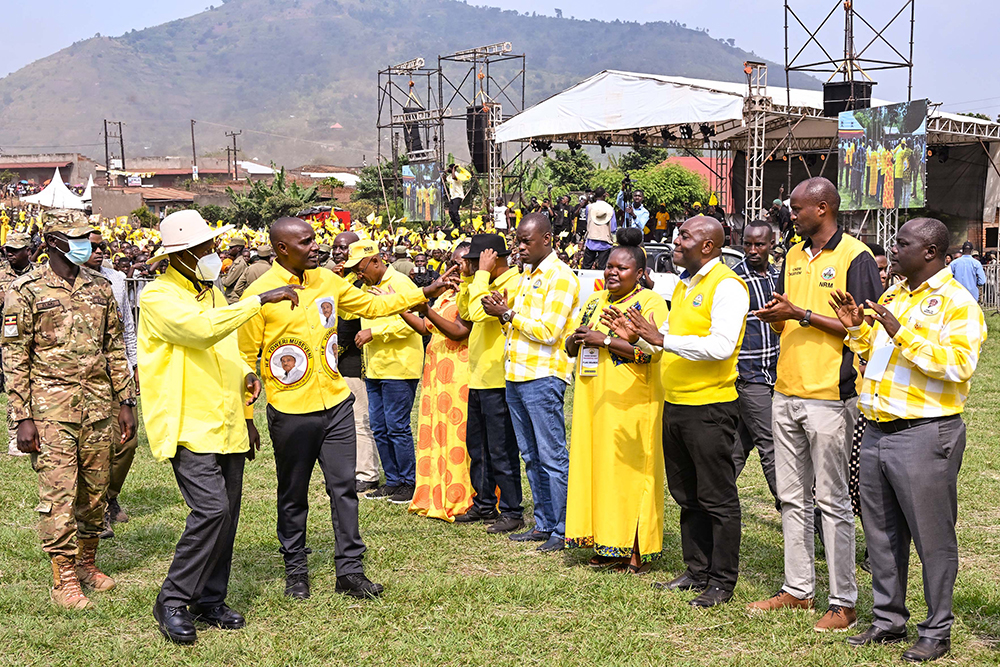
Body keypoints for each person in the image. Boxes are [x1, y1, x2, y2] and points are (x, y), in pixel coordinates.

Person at [239, 218, 454, 600]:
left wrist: (423, 291)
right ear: (281, 249)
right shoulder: (259, 294)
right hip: (290, 412)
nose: (315, 247)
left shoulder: (328, 281)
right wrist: (245, 416)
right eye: (305, 242)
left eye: (314, 239)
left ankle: (350, 571)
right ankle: (296, 572)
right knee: (293, 494)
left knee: (344, 490)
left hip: (337, 404)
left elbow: (374, 303)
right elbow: (242, 357)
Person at [138, 210, 301, 644]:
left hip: (226, 419)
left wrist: (247, 403)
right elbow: (198, 332)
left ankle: (210, 598)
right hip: (188, 422)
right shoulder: (157, 297)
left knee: (227, 516)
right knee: (210, 510)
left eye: (212, 246)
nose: (213, 255)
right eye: (204, 249)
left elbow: (227, 350)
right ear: (181, 255)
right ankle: (171, 599)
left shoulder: (211, 293)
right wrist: (257, 301)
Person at [832, 218, 987, 663]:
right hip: (877, 428)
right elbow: (875, 357)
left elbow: (958, 366)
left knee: (931, 537)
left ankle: (937, 631)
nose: (892, 249)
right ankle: (888, 620)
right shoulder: (895, 294)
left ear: (931, 252)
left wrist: (902, 332)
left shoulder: (958, 302)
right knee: (880, 533)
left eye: (903, 243)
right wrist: (857, 330)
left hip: (924, 433)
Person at [751, 177, 883, 631]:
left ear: (823, 208)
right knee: (791, 498)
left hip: (831, 396)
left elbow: (862, 325)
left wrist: (800, 314)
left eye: (798, 208)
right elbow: (792, 320)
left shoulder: (855, 256)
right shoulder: (791, 253)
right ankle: (797, 589)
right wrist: (778, 319)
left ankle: (843, 601)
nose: (791, 214)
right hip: (785, 389)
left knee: (832, 500)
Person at [2, 209, 136, 610]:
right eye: (75, 239)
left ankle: (86, 564)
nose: (84, 245)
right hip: (49, 412)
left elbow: (114, 348)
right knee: (59, 495)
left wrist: (125, 401)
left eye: (87, 238)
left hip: (98, 408)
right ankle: (62, 579)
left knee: (94, 492)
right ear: (53, 243)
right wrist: (21, 417)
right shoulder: (25, 291)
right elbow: (14, 357)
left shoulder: (99, 287)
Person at [623, 216, 748, 606]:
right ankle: (697, 570)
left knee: (717, 498)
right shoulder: (682, 284)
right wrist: (643, 342)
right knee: (687, 494)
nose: (676, 241)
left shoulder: (727, 285)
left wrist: (662, 337)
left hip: (709, 406)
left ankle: (721, 581)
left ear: (708, 246)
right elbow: (671, 345)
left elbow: (722, 346)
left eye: (684, 236)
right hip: (675, 403)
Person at [565, 227, 669, 574]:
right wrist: (578, 339)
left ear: (640, 274)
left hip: (632, 402)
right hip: (594, 398)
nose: (612, 272)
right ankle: (606, 543)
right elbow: (572, 344)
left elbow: (650, 355)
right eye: (609, 266)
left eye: (621, 268)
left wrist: (605, 340)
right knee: (598, 470)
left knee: (629, 474)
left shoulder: (650, 303)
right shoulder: (595, 301)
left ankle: (635, 547)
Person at [482, 214, 580, 553]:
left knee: (552, 455)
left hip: (543, 377)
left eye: (526, 241)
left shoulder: (560, 276)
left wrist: (508, 315)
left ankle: (564, 527)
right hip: (516, 374)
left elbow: (549, 331)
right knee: (530, 455)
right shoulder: (526, 277)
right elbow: (518, 329)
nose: (519, 247)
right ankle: (543, 523)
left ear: (548, 239)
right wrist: (501, 314)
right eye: (517, 241)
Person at [398, 243, 474, 521]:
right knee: (435, 431)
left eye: (464, 262)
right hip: (435, 372)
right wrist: (401, 306)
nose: (457, 267)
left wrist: (425, 309)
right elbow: (424, 328)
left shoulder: (472, 295)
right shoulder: (446, 295)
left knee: (457, 434)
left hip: (458, 374)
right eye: (454, 261)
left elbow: (457, 332)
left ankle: (458, 496)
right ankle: (434, 492)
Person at [348, 240, 427, 505]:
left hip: (399, 366)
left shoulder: (401, 284)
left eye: (360, 269)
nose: (359, 275)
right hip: (375, 368)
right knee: (380, 427)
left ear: (375, 261)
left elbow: (414, 325)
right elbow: (347, 309)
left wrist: (376, 332)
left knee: (397, 426)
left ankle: (408, 481)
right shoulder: (366, 288)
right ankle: (392, 480)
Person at [456, 234, 524, 533]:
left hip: (499, 378)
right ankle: (484, 503)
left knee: (501, 448)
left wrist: (481, 274)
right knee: (478, 446)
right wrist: (468, 279)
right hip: (479, 377)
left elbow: (478, 313)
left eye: (474, 260)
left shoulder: (513, 283)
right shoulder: (482, 283)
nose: (469, 265)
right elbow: (466, 312)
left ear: (492, 258)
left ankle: (511, 509)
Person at [81, 231, 140, 539]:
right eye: (91, 247)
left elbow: (126, 325)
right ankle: (97, 509)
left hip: (115, 373)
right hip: (80, 380)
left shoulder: (116, 279)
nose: (98, 252)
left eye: (101, 246)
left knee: (127, 441)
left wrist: (135, 364)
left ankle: (109, 494)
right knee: (93, 446)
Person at [731, 220, 781, 510]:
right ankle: (802, 516)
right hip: (749, 377)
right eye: (747, 243)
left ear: (771, 244)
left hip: (775, 375)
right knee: (772, 445)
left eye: (758, 244)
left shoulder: (779, 277)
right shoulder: (735, 280)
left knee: (738, 447)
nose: (751, 250)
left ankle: (711, 504)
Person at [330, 232, 381, 494]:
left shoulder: (361, 284)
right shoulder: (341, 279)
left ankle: (368, 473)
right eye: (335, 248)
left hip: (354, 360)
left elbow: (349, 325)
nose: (338, 253)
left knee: (362, 419)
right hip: (339, 360)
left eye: (344, 248)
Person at [1, 231, 35, 456]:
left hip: (31, 339)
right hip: (5, 340)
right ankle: (14, 435)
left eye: (15, 250)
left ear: (28, 251)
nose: (9, 253)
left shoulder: (40, 275)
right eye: (7, 249)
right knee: (13, 384)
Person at [582, 187, 616, 270]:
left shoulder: (589, 207)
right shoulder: (610, 209)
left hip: (591, 240)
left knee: (586, 267)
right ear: (604, 195)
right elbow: (613, 228)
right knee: (603, 268)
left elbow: (588, 221)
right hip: (605, 242)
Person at [220, 236, 248, 304]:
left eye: (231, 248)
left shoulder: (239, 264)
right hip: (230, 298)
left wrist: (222, 276)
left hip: (233, 299)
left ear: (238, 248)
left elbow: (227, 282)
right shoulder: (236, 262)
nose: (229, 249)